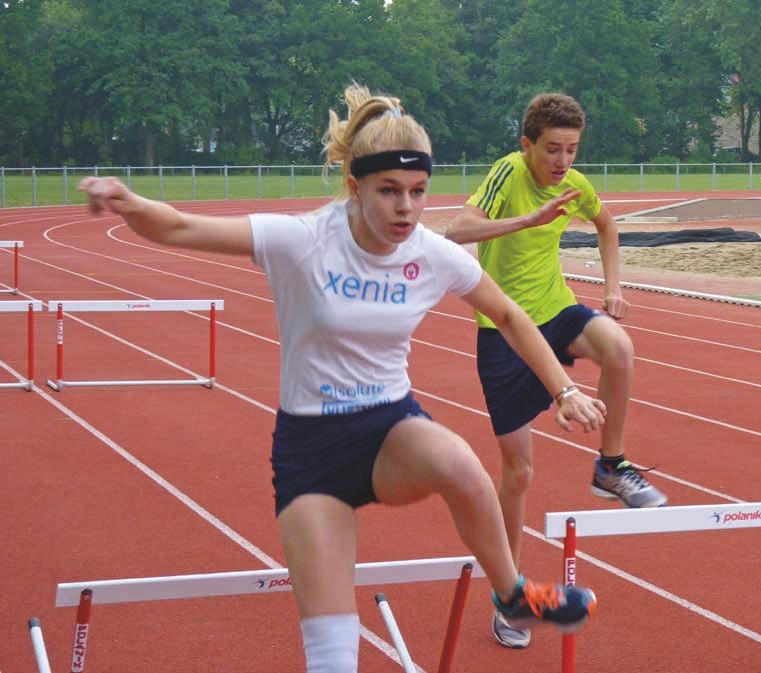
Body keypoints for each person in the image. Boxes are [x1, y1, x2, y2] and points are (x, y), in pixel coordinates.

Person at [79, 84, 603, 673]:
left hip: (389, 431)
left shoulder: (430, 252)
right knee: (332, 655)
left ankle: (512, 594)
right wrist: (125, 200)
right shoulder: (303, 240)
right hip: (311, 455)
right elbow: (177, 228)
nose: (406, 208)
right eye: (389, 192)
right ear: (355, 186)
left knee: (459, 463)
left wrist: (564, 388)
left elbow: (508, 313)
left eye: (419, 192)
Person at [445, 93, 667, 649]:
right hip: (503, 330)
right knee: (518, 474)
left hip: (556, 310)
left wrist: (614, 286)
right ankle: (510, 594)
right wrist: (529, 218)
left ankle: (610, 466)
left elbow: (607, 225)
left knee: (619, 348)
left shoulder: (577, 184)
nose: (562, 161)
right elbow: (457, 230)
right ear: (527, 145)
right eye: (552, 150)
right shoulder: (508, 172)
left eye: (571, 150)